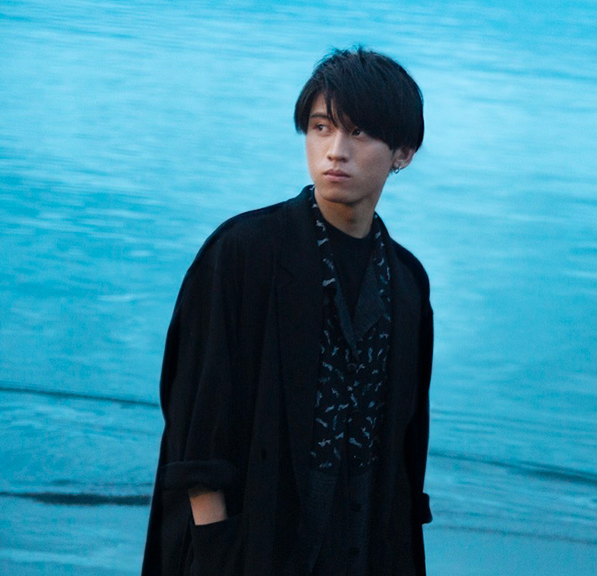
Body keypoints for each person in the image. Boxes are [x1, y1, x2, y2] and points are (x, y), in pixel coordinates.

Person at [142, 47, 434, 576]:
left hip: (364, 549)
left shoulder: (407, 282)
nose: (335, 151)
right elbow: (195, 418)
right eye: (322, 128)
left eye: (359, 133)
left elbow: (404, 448)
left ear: (403, 153)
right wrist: (216, 550)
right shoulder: (243, 252)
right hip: (250, 549)